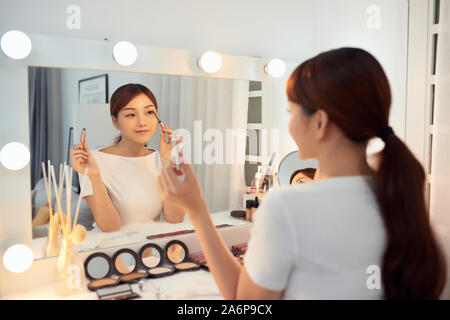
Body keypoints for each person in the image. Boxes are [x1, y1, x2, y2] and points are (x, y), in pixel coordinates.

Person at [156, 48, 446, 299]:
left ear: (319, 122)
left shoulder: (287, 206)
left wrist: (197, 210)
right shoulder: (397, 189)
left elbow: (243, 301)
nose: (290, 124)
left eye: (291, 112)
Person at [70, 83, 185, 232]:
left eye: (149, 112)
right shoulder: (92, 161)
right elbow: (110, 227)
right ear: (115, 121)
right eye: (131, 114)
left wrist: (167, 163)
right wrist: (95, 176)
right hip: (111, 251)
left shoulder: (162, 158)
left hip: (150, 251)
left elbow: (175, 219)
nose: (142, 122)